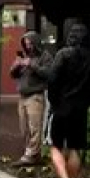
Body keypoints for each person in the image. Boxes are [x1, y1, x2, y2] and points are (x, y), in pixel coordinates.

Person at [42, 20, 90, 178]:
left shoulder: (63, 54)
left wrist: (55, 102)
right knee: (74, 148)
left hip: (62, 106)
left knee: (55, 146)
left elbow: (53, 79)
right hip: (80, 109)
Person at [9, 31, 53, 166]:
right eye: (26, 44)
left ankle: (31, 155)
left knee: (35, 126)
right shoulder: (24, 56)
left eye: (30, 44)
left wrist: (31, 65)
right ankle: (32, 153)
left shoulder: (45, 57)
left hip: (35, 95)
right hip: (22, 96)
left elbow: (48, 73)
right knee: (24, 128)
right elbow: (13, 75)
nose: (28, 46)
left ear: (35, 43)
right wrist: (16, 66)